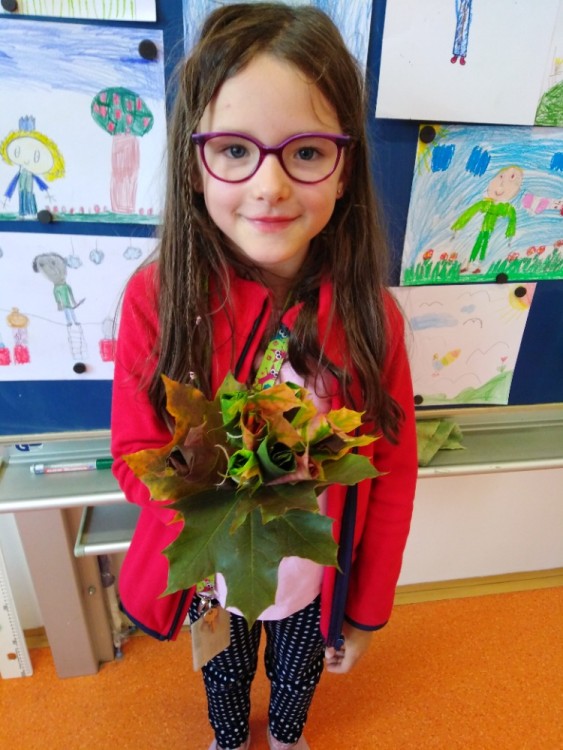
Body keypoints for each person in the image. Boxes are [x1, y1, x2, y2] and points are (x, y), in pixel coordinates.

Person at [110, 4, 418, 749]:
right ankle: (229, 739)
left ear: (344, 170)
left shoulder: (372, 315)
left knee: (298, 677)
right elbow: (132, 456)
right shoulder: (158, 298)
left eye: (306, 152)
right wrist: (217, 478)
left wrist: (365, 609)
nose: (270, 185)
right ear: (194, 165)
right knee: (222, 676)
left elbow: (391, 474)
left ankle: (284, 737)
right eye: (234, 149)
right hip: (214, 577)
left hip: (313, 577)